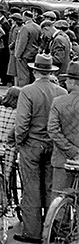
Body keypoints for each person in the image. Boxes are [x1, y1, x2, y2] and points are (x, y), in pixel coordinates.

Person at [15, 53, 66, 243]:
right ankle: (51, 226)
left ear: (35, 71)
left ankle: (32, 232)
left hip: (32, 143)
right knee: (51, 187)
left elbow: (22, 123)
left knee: (31, 188)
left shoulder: (27, 91)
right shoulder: (61, 92)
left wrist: (19, 140)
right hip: (53, 144)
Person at [48, 61, 79, 193]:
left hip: (63, 160)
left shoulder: (59, 102)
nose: (65, 82)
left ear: (72, 82)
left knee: (59, 201)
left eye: (67, 79)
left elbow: (53, 130)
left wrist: (72, 151)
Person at [13, 11, 41, 87]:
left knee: (23, 75)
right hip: (34, 53)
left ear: (25, 17)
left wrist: (18, 55)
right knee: (32, 75)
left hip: (24, 55)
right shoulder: (38, 27)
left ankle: (22, 90)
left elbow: (22, 43)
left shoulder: (25, 28)